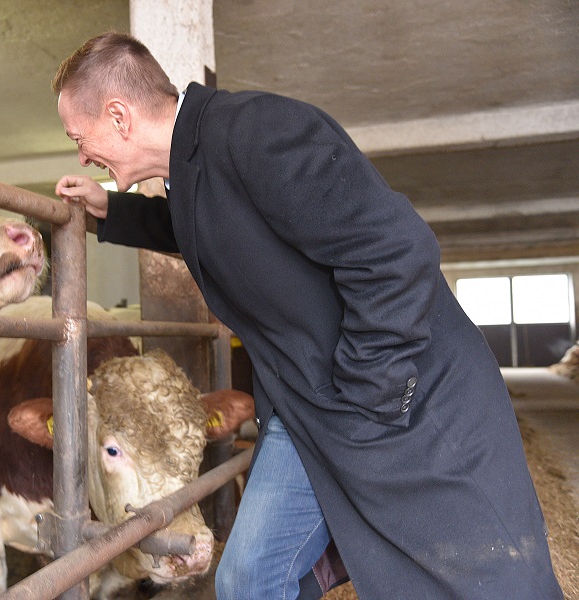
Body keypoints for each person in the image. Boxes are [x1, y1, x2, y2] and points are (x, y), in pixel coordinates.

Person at [53, 32, 562, 600]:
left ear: (119, 116)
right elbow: (208, 227)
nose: (81, 154)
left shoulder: (259, 132)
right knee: (248, 578)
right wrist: (111, 213)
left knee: (481, 577)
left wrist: (367, 395)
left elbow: (396, 252)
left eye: (80, 136)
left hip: (405, 398)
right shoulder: (192, 166)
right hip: (308, 410)